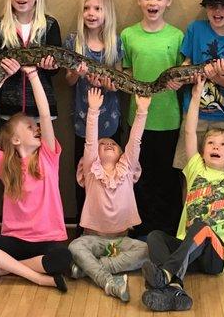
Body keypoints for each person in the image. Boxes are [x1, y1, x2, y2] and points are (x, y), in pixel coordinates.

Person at [141, 76, 224, 312]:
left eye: (222, 145)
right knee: (155, 236)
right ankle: (175, 289)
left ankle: (166, 272)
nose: (216, 147)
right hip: (188, 253)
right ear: (202, 151)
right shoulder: (195, 169)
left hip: (214, 257)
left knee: (202, 226)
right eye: (211, 143)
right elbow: (189, 132)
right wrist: (195, 96)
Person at [0, 59, 71, 292]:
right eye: (28, 126)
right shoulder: (6, 163)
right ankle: (38, 277)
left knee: (63, 257)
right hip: (14, 240)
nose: (36, 128)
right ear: (15, 140)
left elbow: (45, 116)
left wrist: (33, 75)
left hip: (47, 240)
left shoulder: (48, 155)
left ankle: (4, 269)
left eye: (35, 126)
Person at [68, 88, 150, 302]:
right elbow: (89, 143)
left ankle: (90, 269)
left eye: (113, 143)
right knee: (74, 246)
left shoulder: (127, 168)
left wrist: (142, 112)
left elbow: (135, 142)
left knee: (145, 250)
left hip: (122, 240)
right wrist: (92, 111)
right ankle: (108, 280)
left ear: (122, 154)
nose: (107, 144)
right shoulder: (91, 170)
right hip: (92, 238)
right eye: (103, 145)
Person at [121, 0, 184, 238]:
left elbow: (184, 72)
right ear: (138, 0)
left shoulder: (177, 36)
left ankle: (168, 231)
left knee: (167, 178)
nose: (153, 3)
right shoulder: (127, 35)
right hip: (137, 119)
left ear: (168, 1)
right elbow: (124, 71)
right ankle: (141, 229)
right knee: (139, 176)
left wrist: (179, 80)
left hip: (168, 118)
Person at [63, 0, 124, 236]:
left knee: (111, 178)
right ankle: (84, 229)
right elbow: (67, 81)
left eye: (97, 8)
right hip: (82, 122)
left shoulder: (115, 43)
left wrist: (111, 85)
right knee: (84, 176)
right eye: (87, 8)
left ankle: (110, 229)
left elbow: (119, 81)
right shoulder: (73, 42)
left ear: (106, 12)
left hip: (110, 123)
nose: (91, 13)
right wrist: (76, 74)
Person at [173, 0, 224, 170]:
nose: (218, 11)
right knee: (190, 171)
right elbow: (187, 62)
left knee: (223, 174)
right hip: (194, 114)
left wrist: (216, 77)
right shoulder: (195, 29)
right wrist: (184, 76)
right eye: (213, 6)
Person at [0, 0, 61, 119]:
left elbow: (56, 69)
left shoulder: (49, 25)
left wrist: (51, 66)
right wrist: (9, 70)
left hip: (41, 108)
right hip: (9, 109)